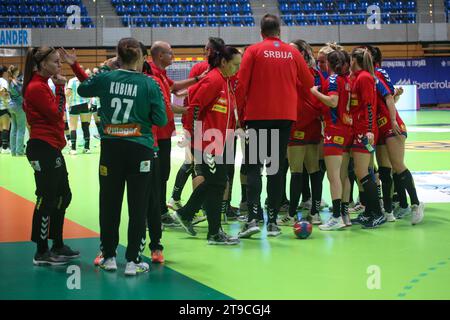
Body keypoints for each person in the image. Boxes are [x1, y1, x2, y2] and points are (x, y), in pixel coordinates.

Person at [74, 38, 168, 275]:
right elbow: (161, 120)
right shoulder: (149, 84)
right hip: (140, 150)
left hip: (111, 150)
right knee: (138, 205)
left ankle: (108, 257)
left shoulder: (106, 78)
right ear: (140, 57)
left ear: (117, 56)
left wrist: (107, 67)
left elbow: (83, 89)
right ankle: (134, 261)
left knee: (109, 203)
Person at [236, 14, 314, 238]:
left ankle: (252, 218)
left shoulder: (253, 50)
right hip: (285, 117)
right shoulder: (292, 52)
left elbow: (242, 85)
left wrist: (240, 115)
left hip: (258, 116)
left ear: (261, 32)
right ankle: (272, 222)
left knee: (254, 167)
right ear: (279, 31)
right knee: (276, 168)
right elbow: (308, 82)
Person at [173, 45, 242, 245]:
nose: (237, 69)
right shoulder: (213, 80)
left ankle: (186, 214)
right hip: (207, 141)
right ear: (224, 62)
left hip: (220, 140)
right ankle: (213, 233)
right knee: (218, 182)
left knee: (216, 182)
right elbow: (194, 107)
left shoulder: (226, 81)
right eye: (235, 65)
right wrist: (194, 137)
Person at [22, 46, 81, 266]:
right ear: (41, 64)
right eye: (55, 61)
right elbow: (56, 114)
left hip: (51, 147)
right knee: (46, 198)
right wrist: (59, 89)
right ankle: (41, 250)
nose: (59, 65)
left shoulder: (41, 85)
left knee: (63, 196)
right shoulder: (36, 87)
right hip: (42, 147)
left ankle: (57, 244)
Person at [149, 40, 205, 227]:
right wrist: (187, 110)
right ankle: (157, 213)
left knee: (163, 174)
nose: (173, 56)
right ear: (160, 55)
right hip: (157, 134)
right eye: (170, 53)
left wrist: (197, 79)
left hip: (164, 133)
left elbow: (175, 87)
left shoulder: (162, 74)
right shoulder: (152, 76)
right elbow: (165, 106)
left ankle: (161, 210)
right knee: (158, 175)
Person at [369, 46, 424, 225]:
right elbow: (390, 95)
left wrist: (392, 119)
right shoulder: (369, 76)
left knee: (397, 165)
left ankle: (416, 204)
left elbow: (388, 98)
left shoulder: (376, 74)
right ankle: (389, 211)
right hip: (379, 127)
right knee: (385, 171)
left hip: (391, 126)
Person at [276, 39, 325, 227]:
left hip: (309, 127)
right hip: (295, 126)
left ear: (303, 54)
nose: (289, 53)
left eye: (293, 51)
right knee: (296, 172)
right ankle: (291, 213)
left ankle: (314, 211)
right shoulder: (287, 73)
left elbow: (320, 100)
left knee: (313, 171)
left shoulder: (315, 74)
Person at [311, 50, 353, 230]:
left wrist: (315, 92)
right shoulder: (347, 80)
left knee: (333, 176)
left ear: (330, 63)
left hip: (334, 131)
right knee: (343, 176)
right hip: (347, 130)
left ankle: (336, 217)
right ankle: (344, 214)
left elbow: (333, 102)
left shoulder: (334, 79)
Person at [348, 47, 385, 229]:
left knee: (363, 173)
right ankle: (369, 211)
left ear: (356, 60)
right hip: (359, 130)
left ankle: (377, 213)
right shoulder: (358, 77)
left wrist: (370, 130)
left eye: (350, 58)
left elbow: (369, 105)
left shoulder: (364, 78)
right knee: (361, 172)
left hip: (365, 132)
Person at [66, 67, 92, 155]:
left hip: (74, 105)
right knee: (85, 126)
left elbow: (68, 93)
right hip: (84, 104)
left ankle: (73, 149)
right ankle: (87, 148)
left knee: (73, 127)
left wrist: (66, 97)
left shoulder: (72, 81)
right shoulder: (86, 80)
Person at [7, 65, 27, 156]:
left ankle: (13, 151)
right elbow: (22, 93)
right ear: (15, 72)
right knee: (21, 129)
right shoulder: (15, 82)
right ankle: (19, 152)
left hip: (11, 106)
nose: (19, 73)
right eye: (18, 72)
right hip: (19, 106)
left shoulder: (10, 81)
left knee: (14, 128)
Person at [0, 65, 11, 153]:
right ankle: (4, 148)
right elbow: (3, 91)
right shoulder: (3, 81)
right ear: (3, 73)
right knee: (5, 126)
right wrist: (5, 101)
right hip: (3, 106)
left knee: (0, 127)